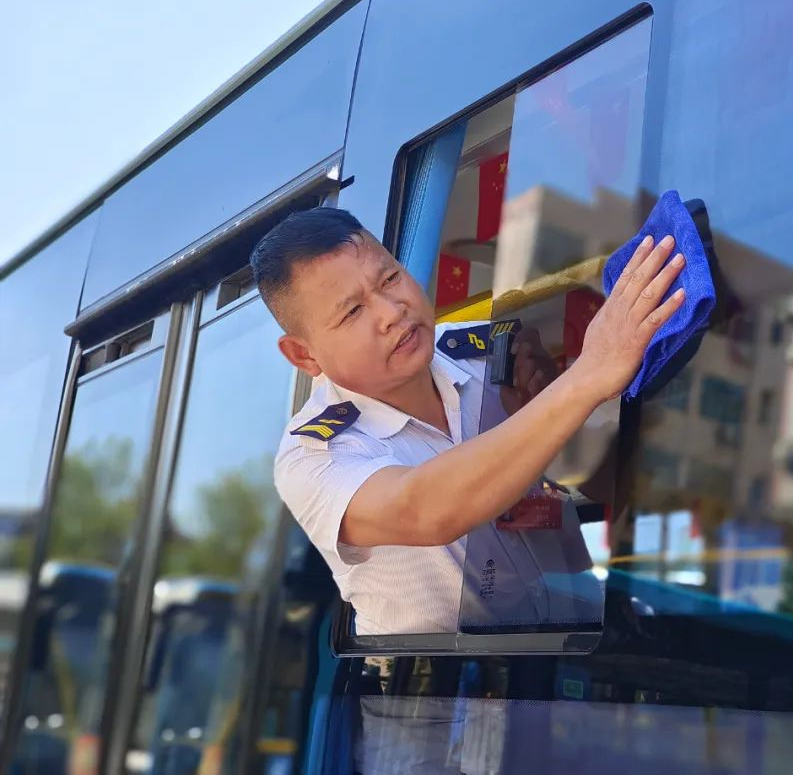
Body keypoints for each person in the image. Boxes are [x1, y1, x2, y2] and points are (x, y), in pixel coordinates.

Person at [252, 207, 686, 634]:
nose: (391, 312)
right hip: (441, 677)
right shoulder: (313, 454)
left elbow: (615, 487)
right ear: (303, 355)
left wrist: (557, 420)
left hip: (581, 648)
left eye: (390, 278)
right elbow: (423, 509)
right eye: (352, 312)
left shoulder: (490, 356)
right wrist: (585, 378)